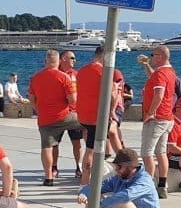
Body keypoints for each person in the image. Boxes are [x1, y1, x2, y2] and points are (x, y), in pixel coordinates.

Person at [27, 50, 81, 186]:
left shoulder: (35, 77)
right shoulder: (63, 77)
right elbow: (72, 100)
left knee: (47, 146)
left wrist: (38, 109)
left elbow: (31, 98)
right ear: (58, 61)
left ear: (46, 61)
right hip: (64, 116)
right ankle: (88, 164)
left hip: (45, 119)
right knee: (88, 123)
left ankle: (49, 177)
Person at [75, 46, 122, 184]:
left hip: (84, 115)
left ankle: (85, 179)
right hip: (98, 117)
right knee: (94, 149)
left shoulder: (81, 71)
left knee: (91, 146)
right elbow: (114, 94)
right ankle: (92, 178)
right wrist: (112, 110)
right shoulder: (104, 72)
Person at [141, 45, 178, 199]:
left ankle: (147, 187)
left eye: (153, 55)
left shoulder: (161, 73)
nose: (152, 57)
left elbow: (159, 94)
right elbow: (154, 78)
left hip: (157, 118)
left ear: (160, 56)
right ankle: (162, 185)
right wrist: (146, 65)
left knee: (147, 153)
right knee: (161, 152)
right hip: (167, 118)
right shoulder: (169, 72)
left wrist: (150, 113)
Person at [53, 50, 84, 179]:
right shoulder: (55, 73)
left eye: (75, 58)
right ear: (63, 59)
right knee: (54, 143)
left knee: (77, 142)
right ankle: (54, 167)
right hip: (58, 114)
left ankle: (79, 167)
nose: (74, 60)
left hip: (74, 114)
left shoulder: (76, 75)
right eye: (72, 58)